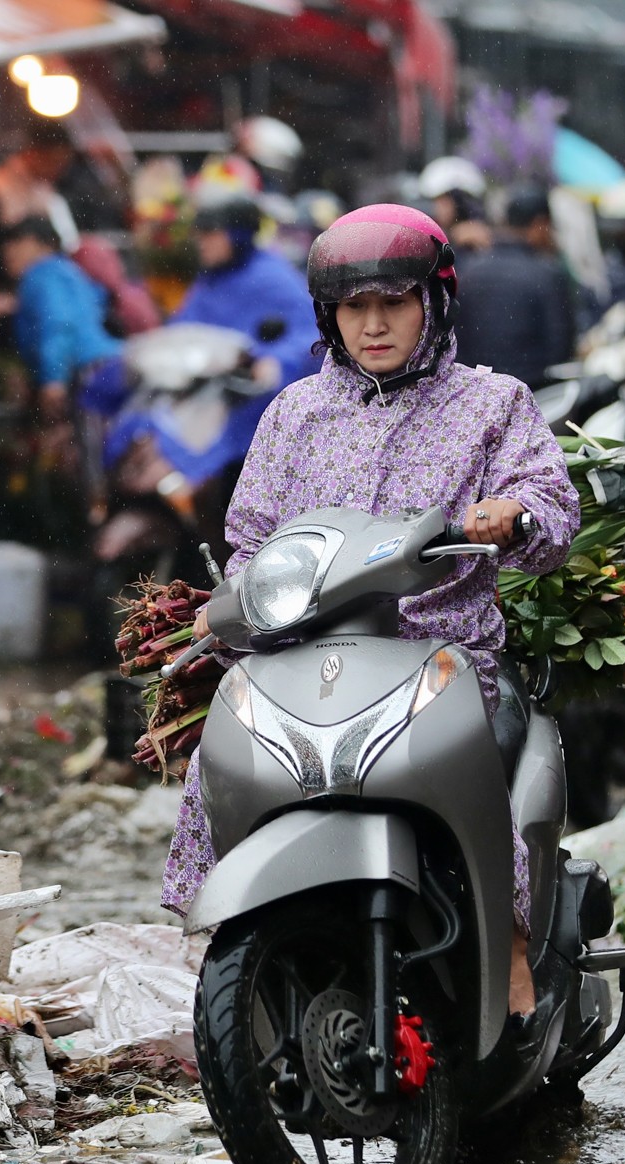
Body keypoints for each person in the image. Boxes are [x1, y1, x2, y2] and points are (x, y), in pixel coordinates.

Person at [164, 204, 581, 1022]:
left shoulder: (492, 405)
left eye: (395, 301)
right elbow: (249, 538)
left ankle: (513, 943)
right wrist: (245, 602)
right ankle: (241, 926)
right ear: (330, 317)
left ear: (436, 304)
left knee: (480, 760)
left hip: (444, 651)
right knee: (228, 746)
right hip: (308, 654)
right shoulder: (294, 413)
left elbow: (550, 508)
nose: (375, 323)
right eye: (355, 307)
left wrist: (517, 515)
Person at [170, 194, 323, 438]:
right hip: (204, 397)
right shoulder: (209, 281)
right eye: (198, 233)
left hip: (254, 408)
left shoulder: (272, 278)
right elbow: (181, 330)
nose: (201, 241)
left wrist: (276, 360)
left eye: (210, 232)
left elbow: (311, 333)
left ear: (236, 234)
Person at [0, 121, 78, 323]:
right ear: (33, 152)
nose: (58, 170)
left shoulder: (48, 192)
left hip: (39, 293)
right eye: (54, 161)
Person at [452, 186, 575, 387]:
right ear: (539, 224)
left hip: (476, 395)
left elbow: (456, 339)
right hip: (532, 394)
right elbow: (560, 348)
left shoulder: (468, 270)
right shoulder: (547, 274)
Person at [3, 217, 123, 419]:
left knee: (92, 445)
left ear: (38, 244)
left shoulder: (42, 274)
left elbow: (58, 323)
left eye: (16, 243)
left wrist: (54, 377)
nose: (7, 253)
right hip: (107, 363)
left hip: (87, 369)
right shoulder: (66, 270)